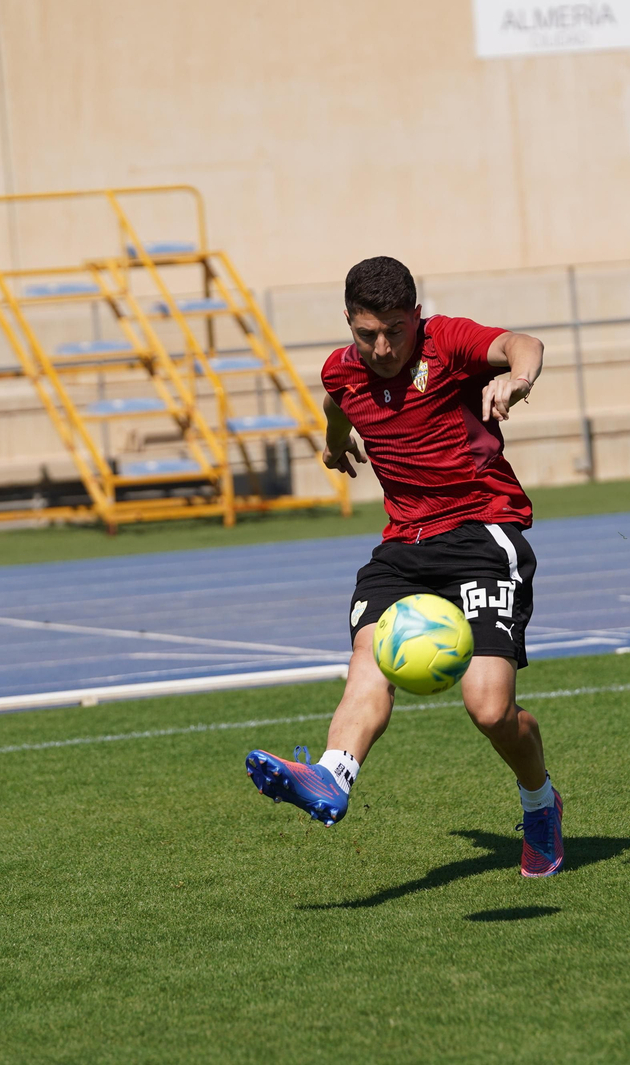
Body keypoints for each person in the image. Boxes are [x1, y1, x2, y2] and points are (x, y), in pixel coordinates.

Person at [245, 256, 563, 877]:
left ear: (416, 316)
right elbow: (340, 402)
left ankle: (540, 802)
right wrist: (336, 443)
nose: (384, 346)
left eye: (396, 329)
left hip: (481, 533)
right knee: (367, 667)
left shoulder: (447, 342)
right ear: (348, 323)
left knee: (489, 708)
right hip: (402, 549)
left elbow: (524, 343)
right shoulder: (341, 369)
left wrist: (518, 378)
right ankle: (334, 776)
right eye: (368, 333)